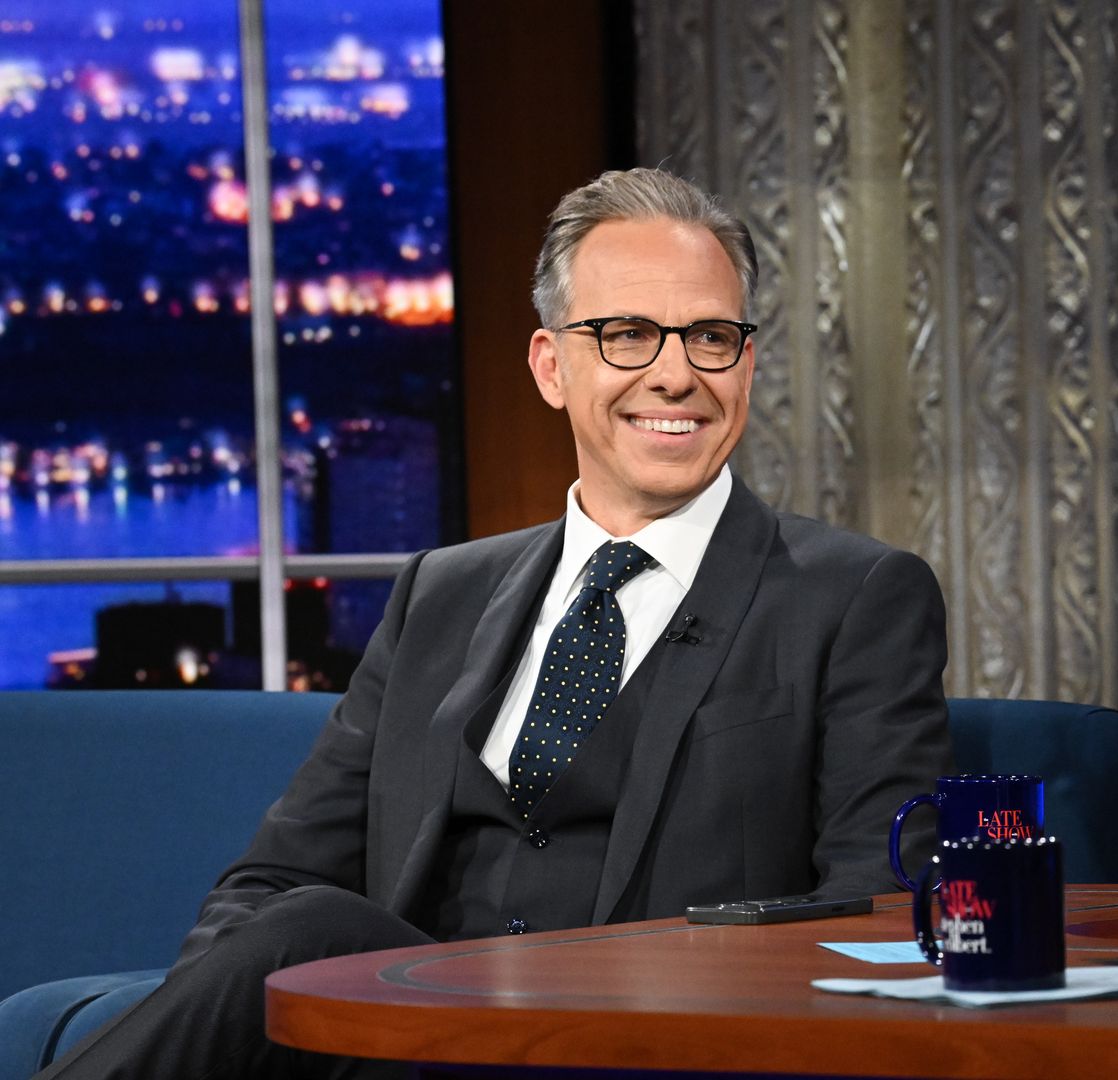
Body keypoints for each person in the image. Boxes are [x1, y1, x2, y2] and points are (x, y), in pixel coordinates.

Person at [41, 168, 952, 1078]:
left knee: (312, 933)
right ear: (551, 367)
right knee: (301, 926)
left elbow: (874, 917)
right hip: (410, 1054)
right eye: (627, 335)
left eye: (711, 337)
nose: (675, 374)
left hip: (653, 1052)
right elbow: (272, 882)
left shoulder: (855, 597)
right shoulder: (440, 593)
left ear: (746, 365)